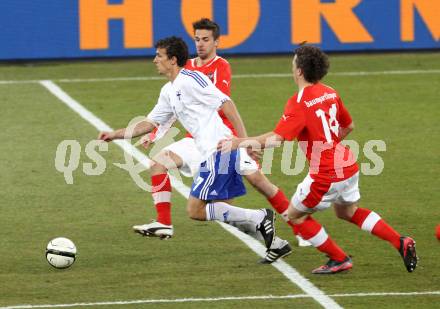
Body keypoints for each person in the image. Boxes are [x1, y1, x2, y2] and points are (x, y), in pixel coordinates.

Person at [218, 45, 418, 274]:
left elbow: (276, 139)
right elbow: (348, 125)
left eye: (293, 63)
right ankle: (400, 241)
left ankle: (339, 258)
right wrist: (329, 144)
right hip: (348, 165)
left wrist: (238, 142)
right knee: (348, 212)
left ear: (300, 71)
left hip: (326, 174)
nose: (292, 66)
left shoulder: (299, 102)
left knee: (294, 216)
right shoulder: (330, 91)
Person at [134, 18, 307, 263]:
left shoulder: (219, 67)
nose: (201, 44)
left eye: (206, 39)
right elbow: (175, 106)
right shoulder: (185, 67)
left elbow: (223, 104)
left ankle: (302, 229)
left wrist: (244, 141)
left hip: (222, 139)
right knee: (165, 169)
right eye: (197, 39)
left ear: (216, 42)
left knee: (256, 184)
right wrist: (154, 133)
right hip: (196, 140)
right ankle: (164, 222)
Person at [98, 36, 277, 257]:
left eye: (159, 56)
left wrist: (246, 142)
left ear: (173, 60)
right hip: (210, 152)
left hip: (219, 150)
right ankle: (276, 242)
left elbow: (227, 104)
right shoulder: (168, 90)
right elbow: (149, 123)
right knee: (221, 207)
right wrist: (114, 135)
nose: (155, 60)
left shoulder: (192, 79)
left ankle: (259, 217)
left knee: (196, 210)